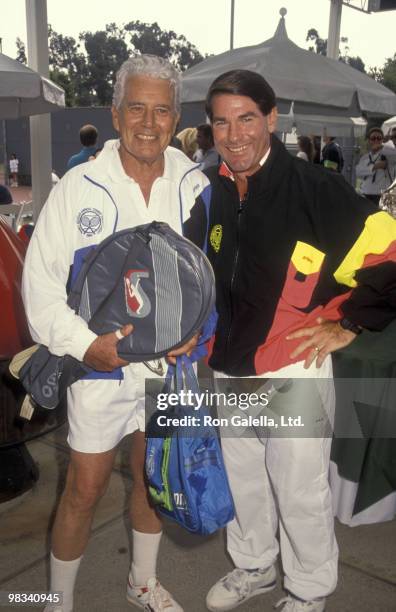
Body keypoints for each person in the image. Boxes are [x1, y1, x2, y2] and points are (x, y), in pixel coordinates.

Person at [184, 69, 396, 612]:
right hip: (229, 366)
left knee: (300, 491)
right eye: (222, 122)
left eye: (247, 118)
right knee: (245, 481)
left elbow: (388, 255)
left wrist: (348, 323)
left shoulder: (316, 189)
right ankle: (254, 564)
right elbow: (194, 275)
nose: (234, 134)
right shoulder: (208, 194)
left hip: (293, 368)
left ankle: (308, 588)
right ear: (210, 127)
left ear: (271, 119)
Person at [22, 54, 209, 612]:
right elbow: (40, 289)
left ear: (176, 118)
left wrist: (196, 333)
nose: (148, 123)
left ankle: (141, 583)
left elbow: (211, 278)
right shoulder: (77, 187)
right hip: (100, 370)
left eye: (161, 111)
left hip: (169, 373)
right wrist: (86, 346)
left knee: (154, 480)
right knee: (84, 489)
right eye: (136, 108)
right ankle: (56, 600)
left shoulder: (196, 184)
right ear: (114, 112)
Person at [355, 127, 396, 206]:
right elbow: (358, 172)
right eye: (373, 138)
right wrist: (374, 167)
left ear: (382, 140)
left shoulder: (387, 154)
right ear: (369, 141)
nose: (376, 140)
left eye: (379, 138)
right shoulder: (365, 157)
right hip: (366, 194)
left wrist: (382, 145)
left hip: (382, 195)